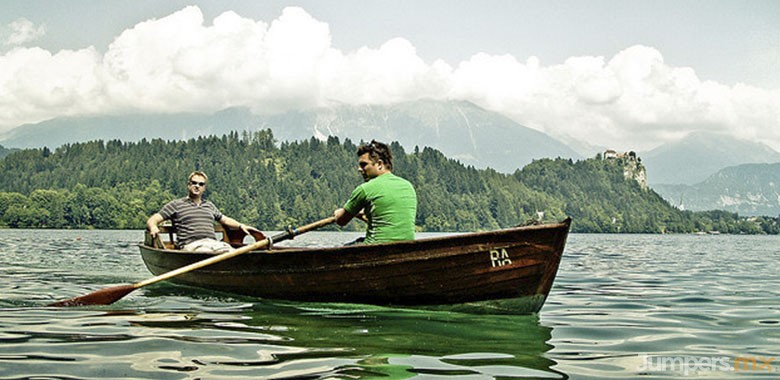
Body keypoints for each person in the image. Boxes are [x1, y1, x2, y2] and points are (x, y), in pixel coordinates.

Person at [146, 171, 261, 253]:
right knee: (206, 253)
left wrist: (241, 225)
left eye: (201, 184)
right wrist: (153, 227)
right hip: (191, 245)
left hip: (212, 243)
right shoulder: (176, 204)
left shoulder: (209, 205)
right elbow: (153, 219)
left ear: (204, 188)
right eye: (194, 183)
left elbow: (225, 219)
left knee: (231, 252)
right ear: (189, 185)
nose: (197, 186)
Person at [333, 140, 417, 244]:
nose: (359, 169)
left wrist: (338, 214)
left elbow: (342, 221)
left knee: (346, 248)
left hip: (375, 250)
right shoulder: (408, 186)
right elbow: (386, 221)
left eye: (363, 165)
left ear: (379, 164)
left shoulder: (365, 189)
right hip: (407, 250)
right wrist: (361, 214)